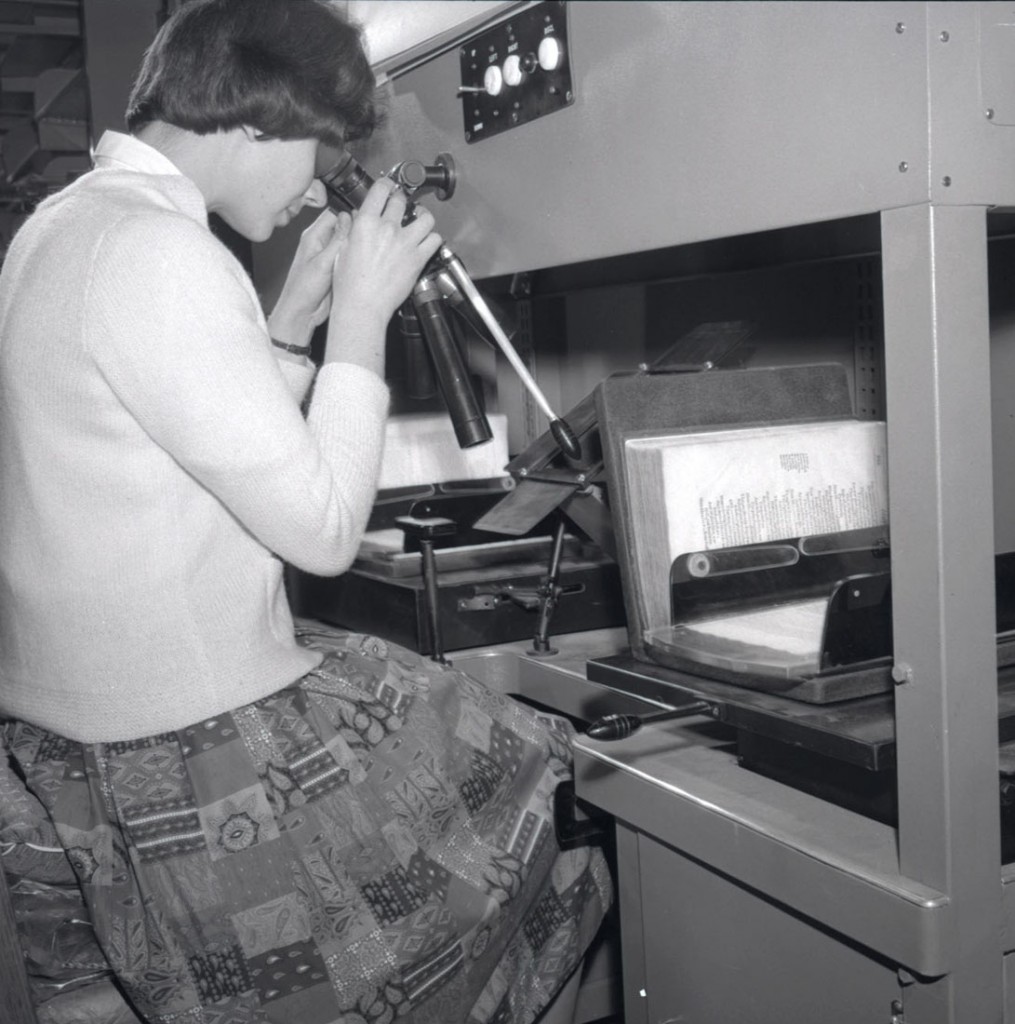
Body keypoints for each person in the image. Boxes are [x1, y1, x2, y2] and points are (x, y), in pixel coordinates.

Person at [0, 2, 612, 1023]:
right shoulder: (163, 254)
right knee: (539, 785)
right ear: (254, 120)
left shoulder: (67, 225)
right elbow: (324, 529)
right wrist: (363, 319)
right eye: (318, 151)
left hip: (61, 747)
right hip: (179, 751)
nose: (307, 190)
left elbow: (188, 441)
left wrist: (289, 324)